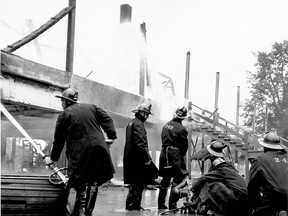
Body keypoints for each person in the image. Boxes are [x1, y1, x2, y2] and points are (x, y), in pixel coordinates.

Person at [44, 88, 117, 216]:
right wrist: (111, 136)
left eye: (62, 101)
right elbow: (108, 120)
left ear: (67, 101)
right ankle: (87, 213)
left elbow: (59, 140)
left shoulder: (64, 115)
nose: (61, 103)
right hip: (99, 150)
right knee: (93, 182)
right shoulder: (92, 107)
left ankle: (71, 213)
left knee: (75, 183)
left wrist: (52, 159)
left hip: (80, 152)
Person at [191, 140, 250, 216]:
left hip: (237, 201)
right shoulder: (230, 167)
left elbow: (204, 178)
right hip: (245, 203)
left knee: (209, 184)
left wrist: (193, 191)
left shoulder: (221, 170)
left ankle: (203, 208)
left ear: (211, 155)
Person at [123, 103, 158, 211]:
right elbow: (141, 143)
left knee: (134, 185)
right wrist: (147, 159)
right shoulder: (139, 124)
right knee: (138, 184)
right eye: (146, 114)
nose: (147, 117)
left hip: (130, 159)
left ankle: (130, 206)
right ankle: (135, 207)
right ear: (141, 113)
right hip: (137, 161)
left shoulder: (131, 123)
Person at [248, 131, 288, 216]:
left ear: (265, 147)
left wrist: (256, 206)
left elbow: (252, 188)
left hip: (271, 203)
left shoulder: (260, 160)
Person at [158, 106, 190, 210]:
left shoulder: (166, 125)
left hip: (164, 154)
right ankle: (172, 206)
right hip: (175, 155)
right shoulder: (182, 129)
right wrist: (180, 157)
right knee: (178, 179)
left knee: (165, 179)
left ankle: (161, 205)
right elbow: (184, 146)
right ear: (183, 118)